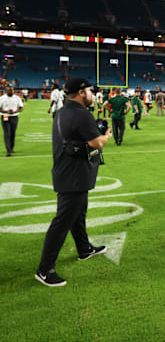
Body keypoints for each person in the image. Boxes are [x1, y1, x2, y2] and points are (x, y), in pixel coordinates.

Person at [35, 77, 112, 287]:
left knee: (79, 214)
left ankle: (84, 249)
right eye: (89, 90)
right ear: (80, 92)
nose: (92, 94)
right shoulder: (82, 114)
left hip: (67, 171)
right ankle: (44, 269)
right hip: (74, 175)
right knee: (62, 222)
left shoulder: (61, 111)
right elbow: (96, 143)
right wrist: (106, 136)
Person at [0, 85, 24, 157]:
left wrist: (15, 111)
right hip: (5, 116)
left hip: (14, 117)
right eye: (9, 90)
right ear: (6, 91)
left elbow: (21, 107)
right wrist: (6, 111)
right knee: (7, 134)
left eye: (12, 90)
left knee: (13, 133)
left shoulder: (17, 98)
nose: (11, 91)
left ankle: (11, 147)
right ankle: (8, 150)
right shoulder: (2, 98)